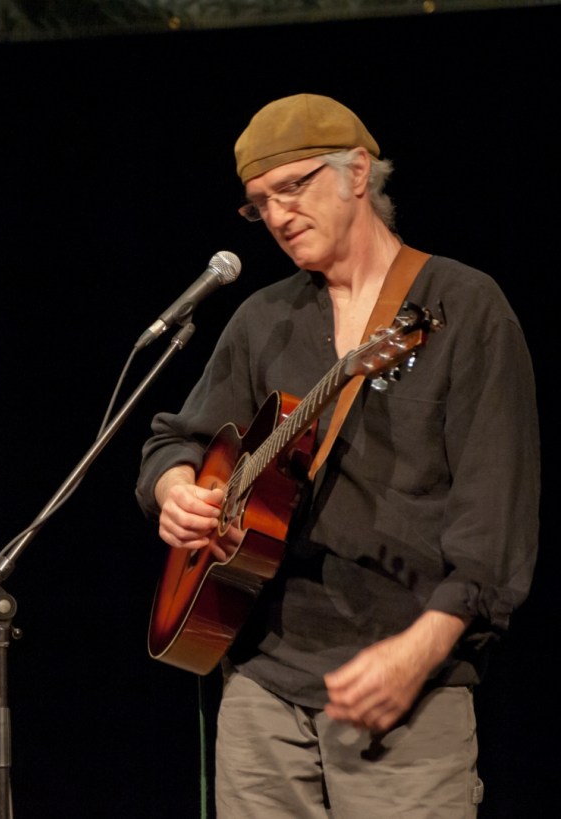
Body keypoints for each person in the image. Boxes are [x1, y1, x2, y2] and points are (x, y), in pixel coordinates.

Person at [135, 94, 539, 817]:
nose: (278, 214)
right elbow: (175, 439)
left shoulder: (464, 307)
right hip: (260, 686)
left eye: (293, 187)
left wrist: (420, 651)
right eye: (260, 203)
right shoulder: (265, 317)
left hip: (404, 690)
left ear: (357, 172)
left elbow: (495, 525)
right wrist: (176, 491)